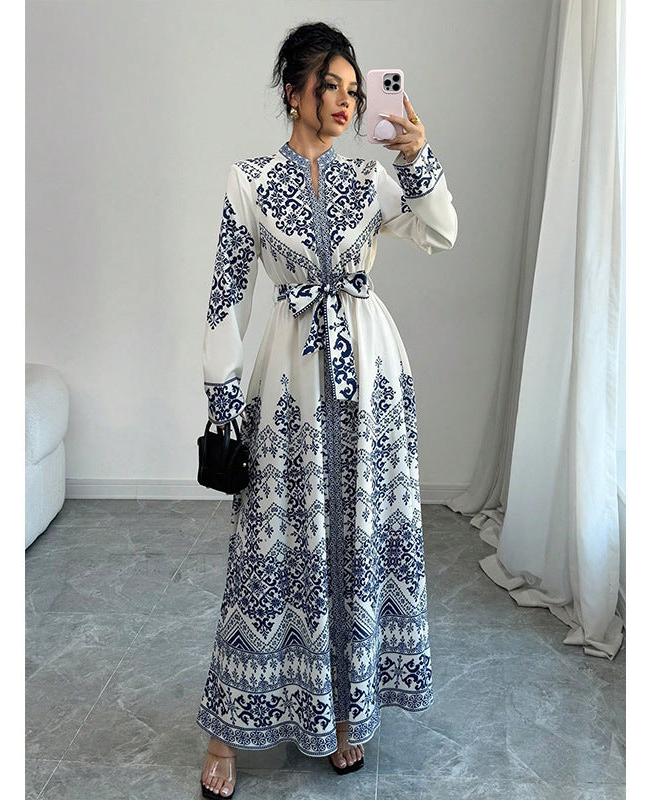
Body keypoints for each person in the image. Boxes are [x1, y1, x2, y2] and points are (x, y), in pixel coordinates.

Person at [198, 21, 458, 799]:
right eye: (330, 87)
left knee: (356, 544)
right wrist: (222, 402)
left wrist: (415, 157)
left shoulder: (373, 182)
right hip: (290, 385)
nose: (346, 102)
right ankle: (225, 734)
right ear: (293, 91)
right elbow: (226, 296)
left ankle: (345, 711)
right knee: (272, 550)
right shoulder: (249, 181)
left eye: (354, 90)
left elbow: (442, 232)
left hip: (370, 381)